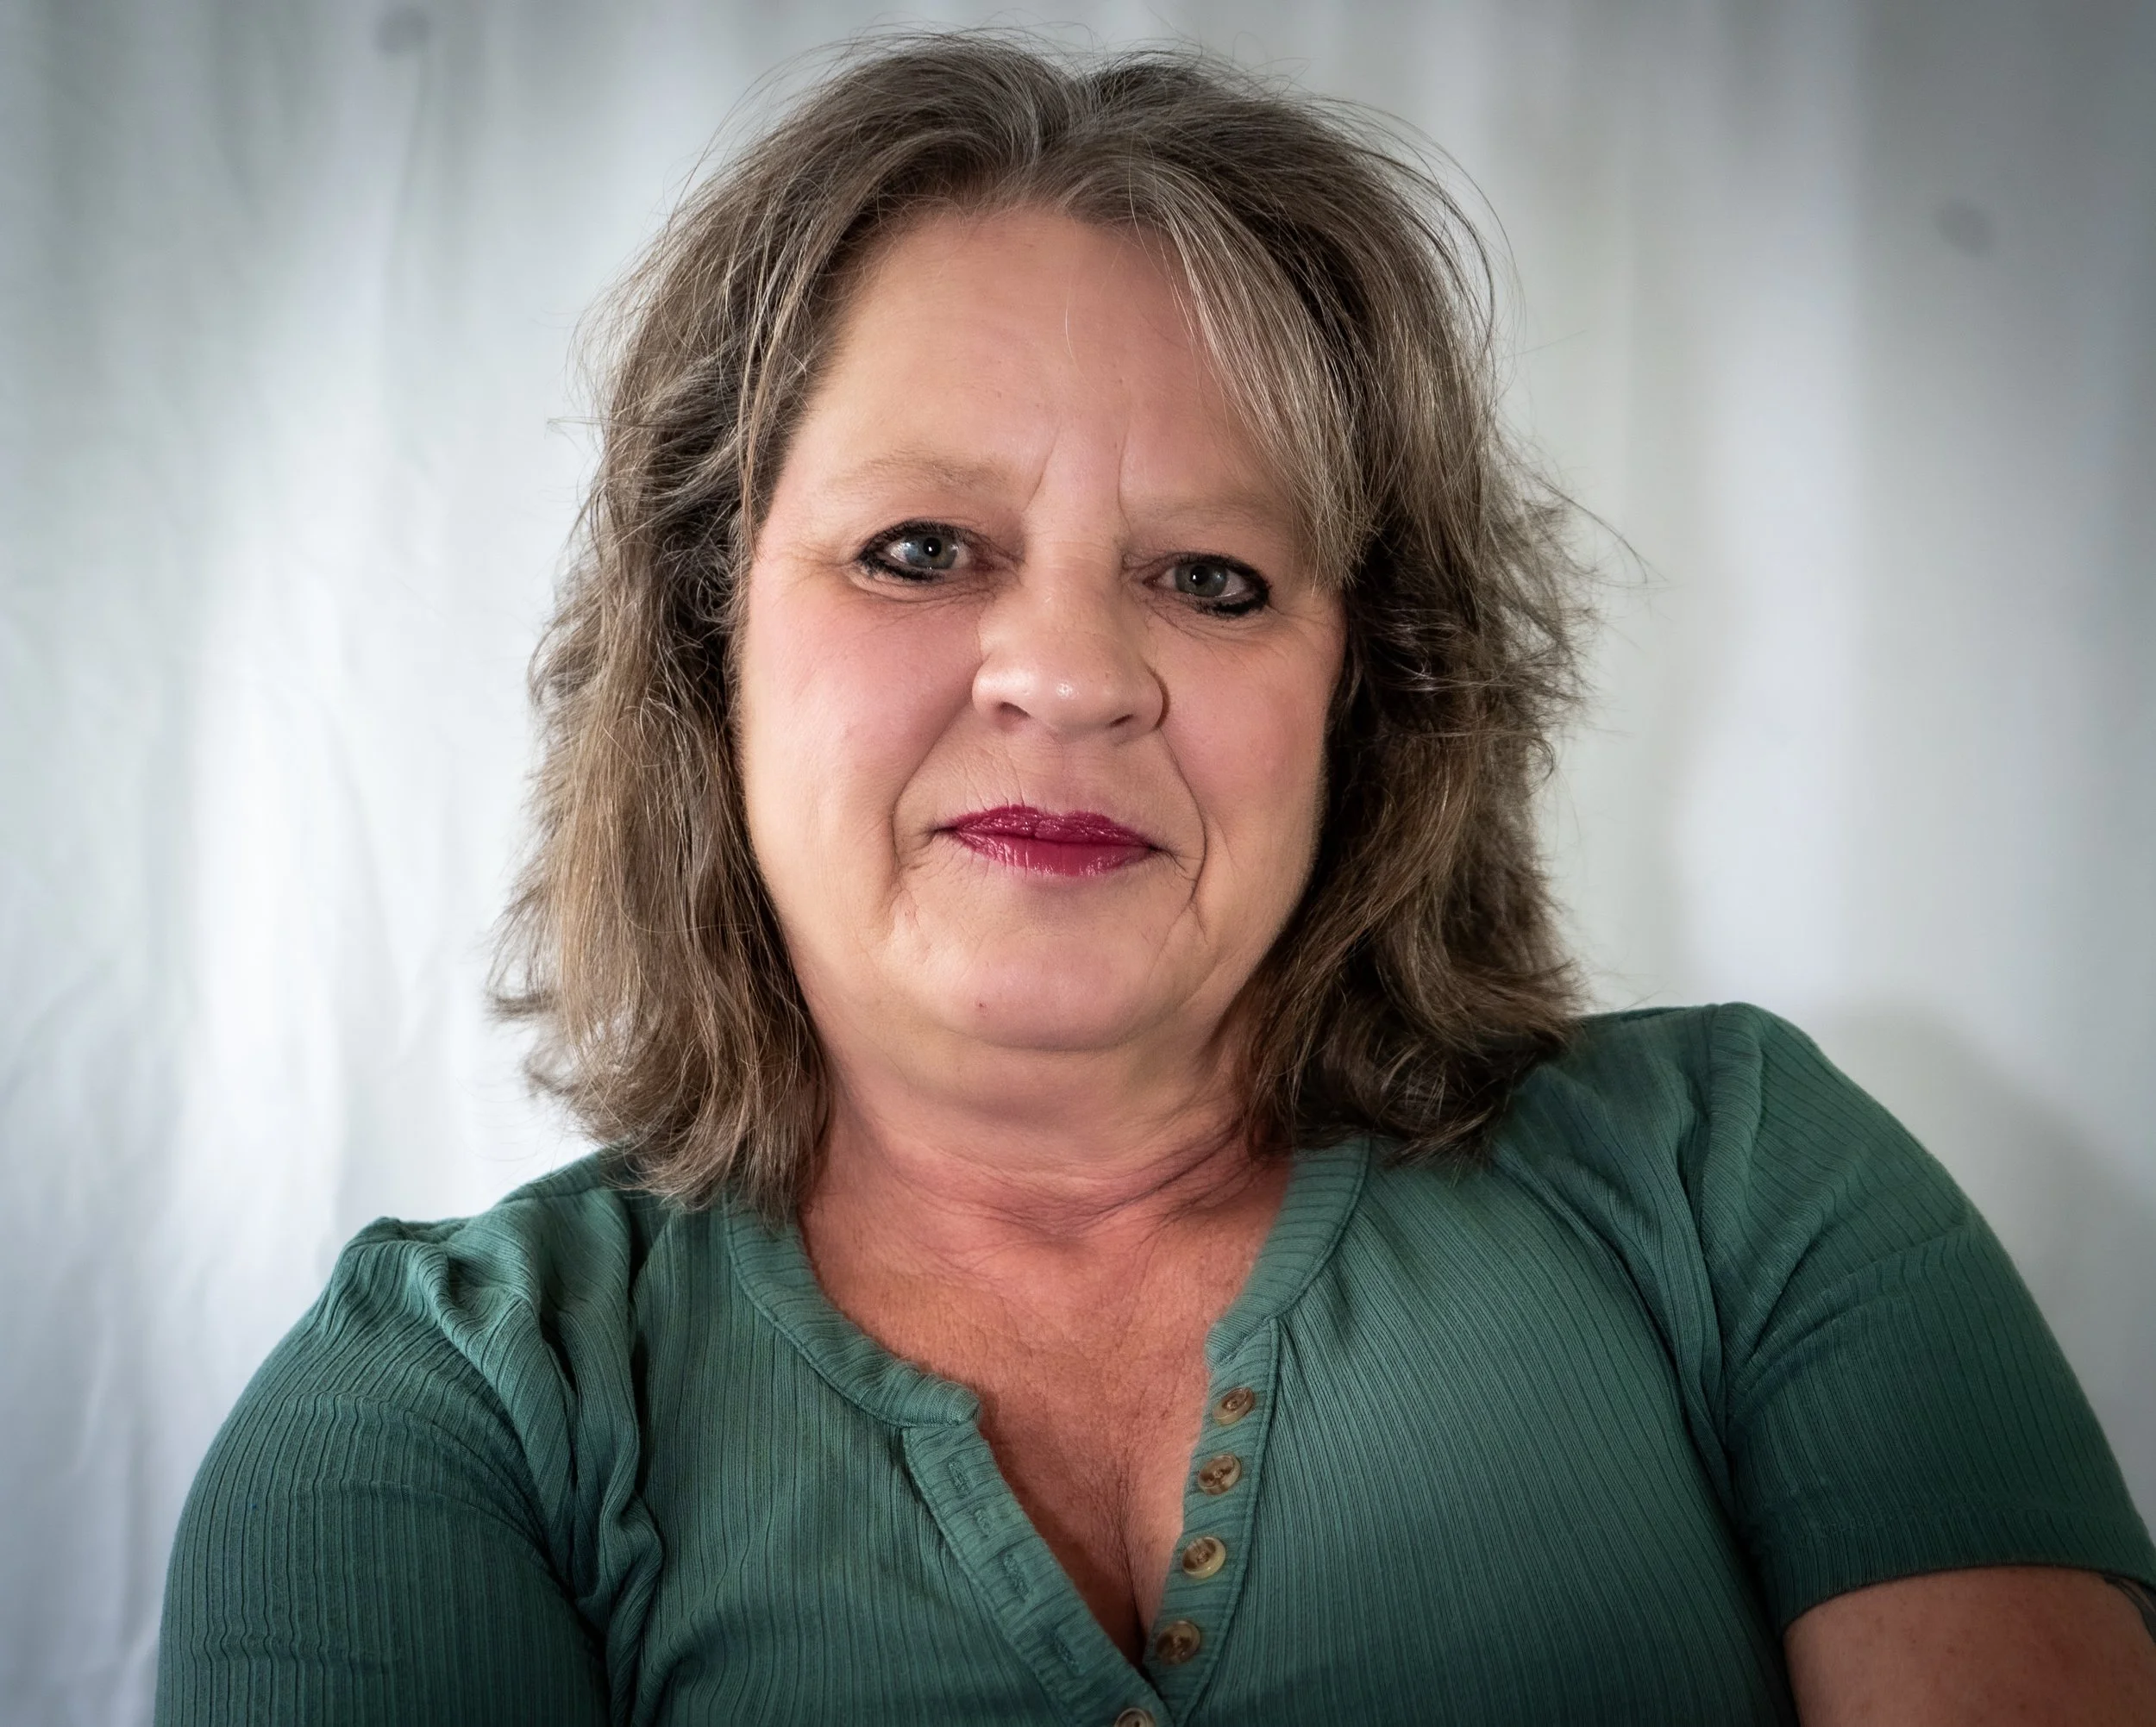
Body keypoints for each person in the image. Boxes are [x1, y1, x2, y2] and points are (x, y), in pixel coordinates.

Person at [156, 33, 2156, 1726]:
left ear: (1360, 695)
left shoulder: (1739, 1180)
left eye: (1211, 577)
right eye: (922, 547)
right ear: (707, 647)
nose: (1073, 674)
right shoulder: (443, 1405)